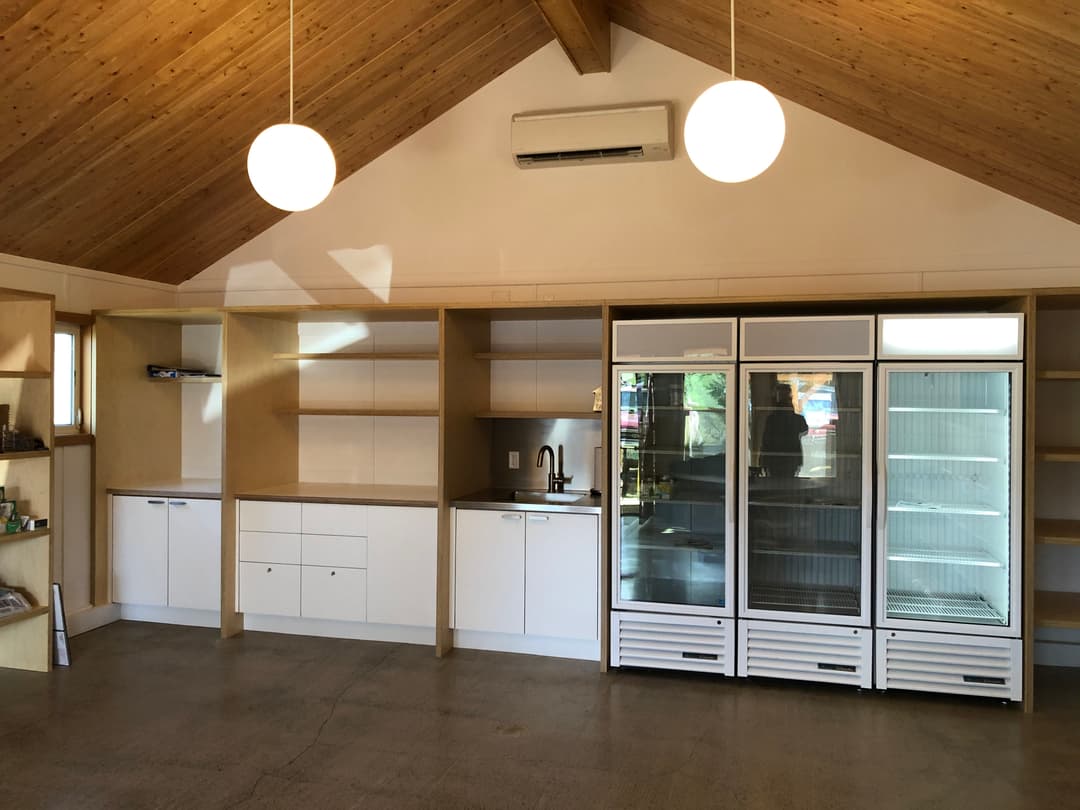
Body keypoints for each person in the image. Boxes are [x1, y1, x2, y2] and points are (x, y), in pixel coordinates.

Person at [760, 383, 808, 478]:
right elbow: (766, 440)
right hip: (780, 458)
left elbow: (765, 440)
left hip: (783, 458)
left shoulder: (773, 418)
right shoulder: (773, 419)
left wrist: (763, 460)